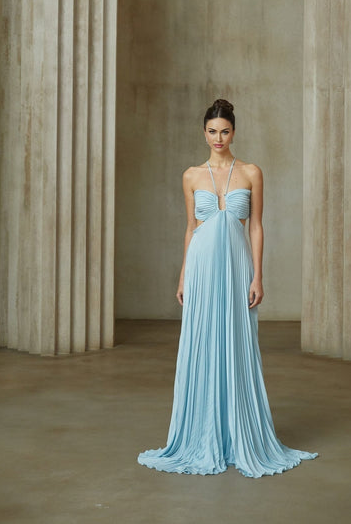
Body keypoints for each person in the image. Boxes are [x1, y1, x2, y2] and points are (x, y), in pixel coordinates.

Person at [138, 98, 318, 477]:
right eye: (212, 131)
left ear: (233, 132)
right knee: (202, 343)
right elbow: (191, 228)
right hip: (202, 268)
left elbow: (255, 227)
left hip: (237, 268)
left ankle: (239, 434)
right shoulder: (191, 175)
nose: (218, 138)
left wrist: (258, 276)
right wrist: (184, 274)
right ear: (204, 133)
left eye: (224, 131)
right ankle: (201, 436)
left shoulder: (251, 172)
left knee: (237, 344)